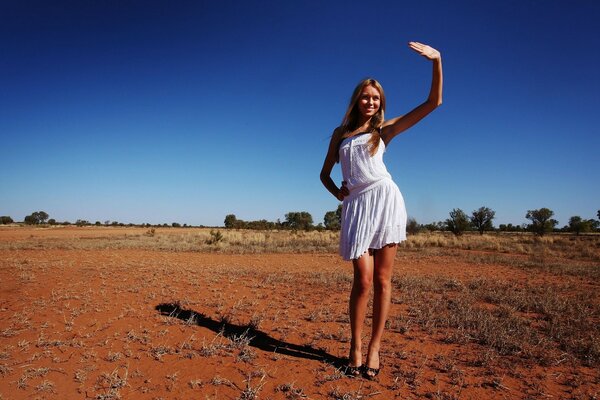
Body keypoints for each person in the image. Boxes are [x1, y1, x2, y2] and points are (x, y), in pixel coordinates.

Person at [319, 41, 443, 379]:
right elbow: (324, 174)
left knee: (384, 281)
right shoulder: (340, 133)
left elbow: (433, 103)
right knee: (363, 279)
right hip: (357, 205)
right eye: (366, 96)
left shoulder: (383, 130)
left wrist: (436, 61)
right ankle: (355, 345)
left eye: (376, 98)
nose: (370, 102)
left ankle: (374, 348)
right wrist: (340, 196)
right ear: (356, 100)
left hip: (385, 200)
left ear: (380, 103)